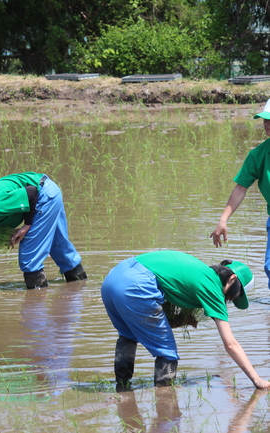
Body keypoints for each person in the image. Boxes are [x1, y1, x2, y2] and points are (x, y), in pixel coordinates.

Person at [101, 250, 270, 390]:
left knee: (128, 335)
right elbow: (230, 344)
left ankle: (122, 388)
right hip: (137, 285)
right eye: (233, 294)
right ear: (232, 279)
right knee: (167, 353)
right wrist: (257, 380)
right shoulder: (212, 287)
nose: (228, 299)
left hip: (112, 280)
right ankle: (165, 399)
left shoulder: (200, 271)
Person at [211, 98, 270, 289]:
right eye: (265, 120)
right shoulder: (258, 155)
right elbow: (240, 188)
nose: (267, 124)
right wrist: (223, 219)